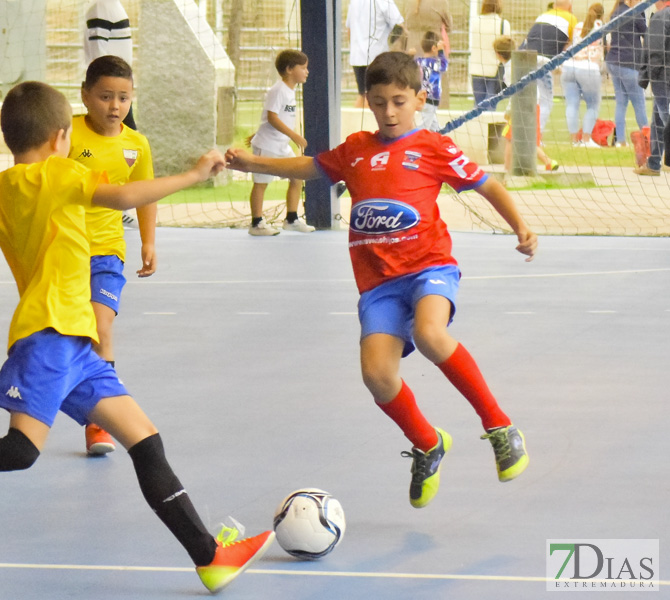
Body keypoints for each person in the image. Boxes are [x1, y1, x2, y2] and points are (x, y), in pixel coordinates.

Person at [0, 81, 274, 594]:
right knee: (20, 451)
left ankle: (209, 557)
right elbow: (126, 196)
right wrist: (196, 173)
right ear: (61, 137)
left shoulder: (2, 187)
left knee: (145, 441)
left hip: (78, 344)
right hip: (48, 334)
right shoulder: (63, 173)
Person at [226, 51, 537, 509]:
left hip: (428, 267)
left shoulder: (435, 148)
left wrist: (520, 227)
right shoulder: (355, 150)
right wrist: (252, 162)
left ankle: (499, 426)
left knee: (431, 334)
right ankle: (428, 443)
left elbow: (487, 186)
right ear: (367, 101)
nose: (389, 112)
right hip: (378, 286)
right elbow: (309, 167)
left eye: (398, 101)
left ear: (418, 98)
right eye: (378, 102)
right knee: (376, 375)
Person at [67, 55, 155, 454]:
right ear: (86, 96)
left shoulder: (136, 145)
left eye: (123, 97)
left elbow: (145, 196)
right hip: (61, 251)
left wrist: (148, 242)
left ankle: (99, 425)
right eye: (105, 96)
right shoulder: (65, 134)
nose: (115, 106)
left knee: (102, 329)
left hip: (107, 252)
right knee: (63, 336)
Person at [246, 49, 313, 236]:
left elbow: (274, 117)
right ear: (290, 69)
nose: (306, 72)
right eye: (303, 68)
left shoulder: (289, 91)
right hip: (268, 146)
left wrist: (256, 133)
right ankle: (256, 223)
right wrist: (295, 136)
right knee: (261, 183)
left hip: (280, 146)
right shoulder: (278, 90)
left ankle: (291, 219)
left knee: (297, 176)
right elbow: (272, 117)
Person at [496, 37, 561, 172]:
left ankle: (508, 170)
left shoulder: (509, 71)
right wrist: (554, 66)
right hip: (534, 102)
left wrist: (509, 111)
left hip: (520, 106)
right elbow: (540, 59)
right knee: (526, 138)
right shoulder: (523, 58)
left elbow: (514, 93)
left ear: (498, 55)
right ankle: (548, 162)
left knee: (510, 138)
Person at [520, 0, 578, 135]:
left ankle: (523, 133)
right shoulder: (571, 19)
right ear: (570, 6)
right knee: (545, 101)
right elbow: (572, 44)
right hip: (542, 62)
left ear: (554, 5)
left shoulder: (542, 16)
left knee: (527, 99)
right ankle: (535, 137)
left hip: (523, 59)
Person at [83, 0, 135, 130]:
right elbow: (99, 58)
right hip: (110, 86)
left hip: (115, 85)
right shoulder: (101, 8)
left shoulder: (104, 7)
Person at [606, 0, 649, 147]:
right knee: (639, 103)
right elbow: (647, 34)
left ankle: (620, 141)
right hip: (628, 62)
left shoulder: (615, 12)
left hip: (613, 61)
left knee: (621, 102)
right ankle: (647, 140)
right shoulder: (634, 13)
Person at [561, 3, 605, 147]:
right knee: (592, 105)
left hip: (569, 66)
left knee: (572, 104)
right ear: (602, 15)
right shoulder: (603, 28)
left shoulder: (578, 26)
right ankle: (586, 139)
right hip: (589, 68)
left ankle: (574, 140)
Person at [345, 0, 403, 108]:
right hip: (377, 56)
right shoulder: (384, 2)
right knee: (377, 96)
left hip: (357, 56)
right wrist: (393, 46)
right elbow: (399, 26)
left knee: (363, 95)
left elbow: (349, 29)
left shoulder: (354, 2)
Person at [635, 0, 670, 175]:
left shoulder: (661, 17)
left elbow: (655, 51)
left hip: (664, 77)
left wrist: (651, 77)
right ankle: (654, 163)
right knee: (658, 120)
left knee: (666, 119)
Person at [468, 0, 511, 104]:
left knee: (478, 105)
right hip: (495, 69)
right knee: (490, 104)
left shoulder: (475, 22)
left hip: (476, 68)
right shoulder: (503, 24)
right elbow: (507, 45)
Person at [416, 31, 448, 131]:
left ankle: (440, 139)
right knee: (424, 126)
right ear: (434, 48)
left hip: (420, 97)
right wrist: (441, 52)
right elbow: (444, 66)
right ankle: (412, 140)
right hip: (431, 98)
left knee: (433, 125)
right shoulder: (434, 63)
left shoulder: (418, 61)